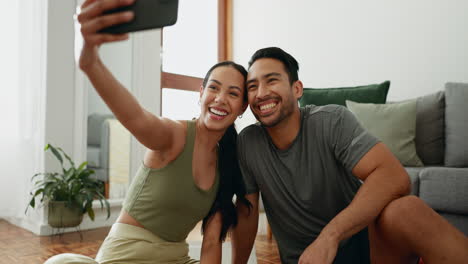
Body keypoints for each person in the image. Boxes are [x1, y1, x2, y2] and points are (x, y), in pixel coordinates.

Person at [45, 0, 251, 263]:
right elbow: (136, 116)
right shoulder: (174, 135)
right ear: (200, 94)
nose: (220, 99)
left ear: (242, 106)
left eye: (233, 93)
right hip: (128, 255)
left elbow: (211, 242)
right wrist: (90, 62)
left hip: (177, 258)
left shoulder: (228, 162)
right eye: (213, 88)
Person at [231, 47, 468, 264]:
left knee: (406, 209)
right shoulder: (248, 143)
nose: (261, 93)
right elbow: (246, 213)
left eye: (272, 81)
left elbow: (395, 176)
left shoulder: (332, 121)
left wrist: (330, 236)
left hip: (367, 252)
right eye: (252, 86)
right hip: (305, 261)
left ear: (297, 89)